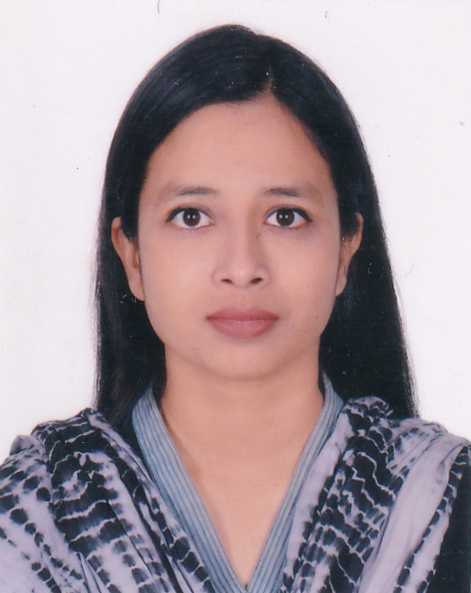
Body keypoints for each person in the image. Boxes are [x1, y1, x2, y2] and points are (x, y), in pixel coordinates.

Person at [0, 23, 469, 593]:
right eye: (192, 216)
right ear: (132, 256)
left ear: (347, 247)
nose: (243, 267)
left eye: (286, 216)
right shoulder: (36, 520)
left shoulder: (449, 504)